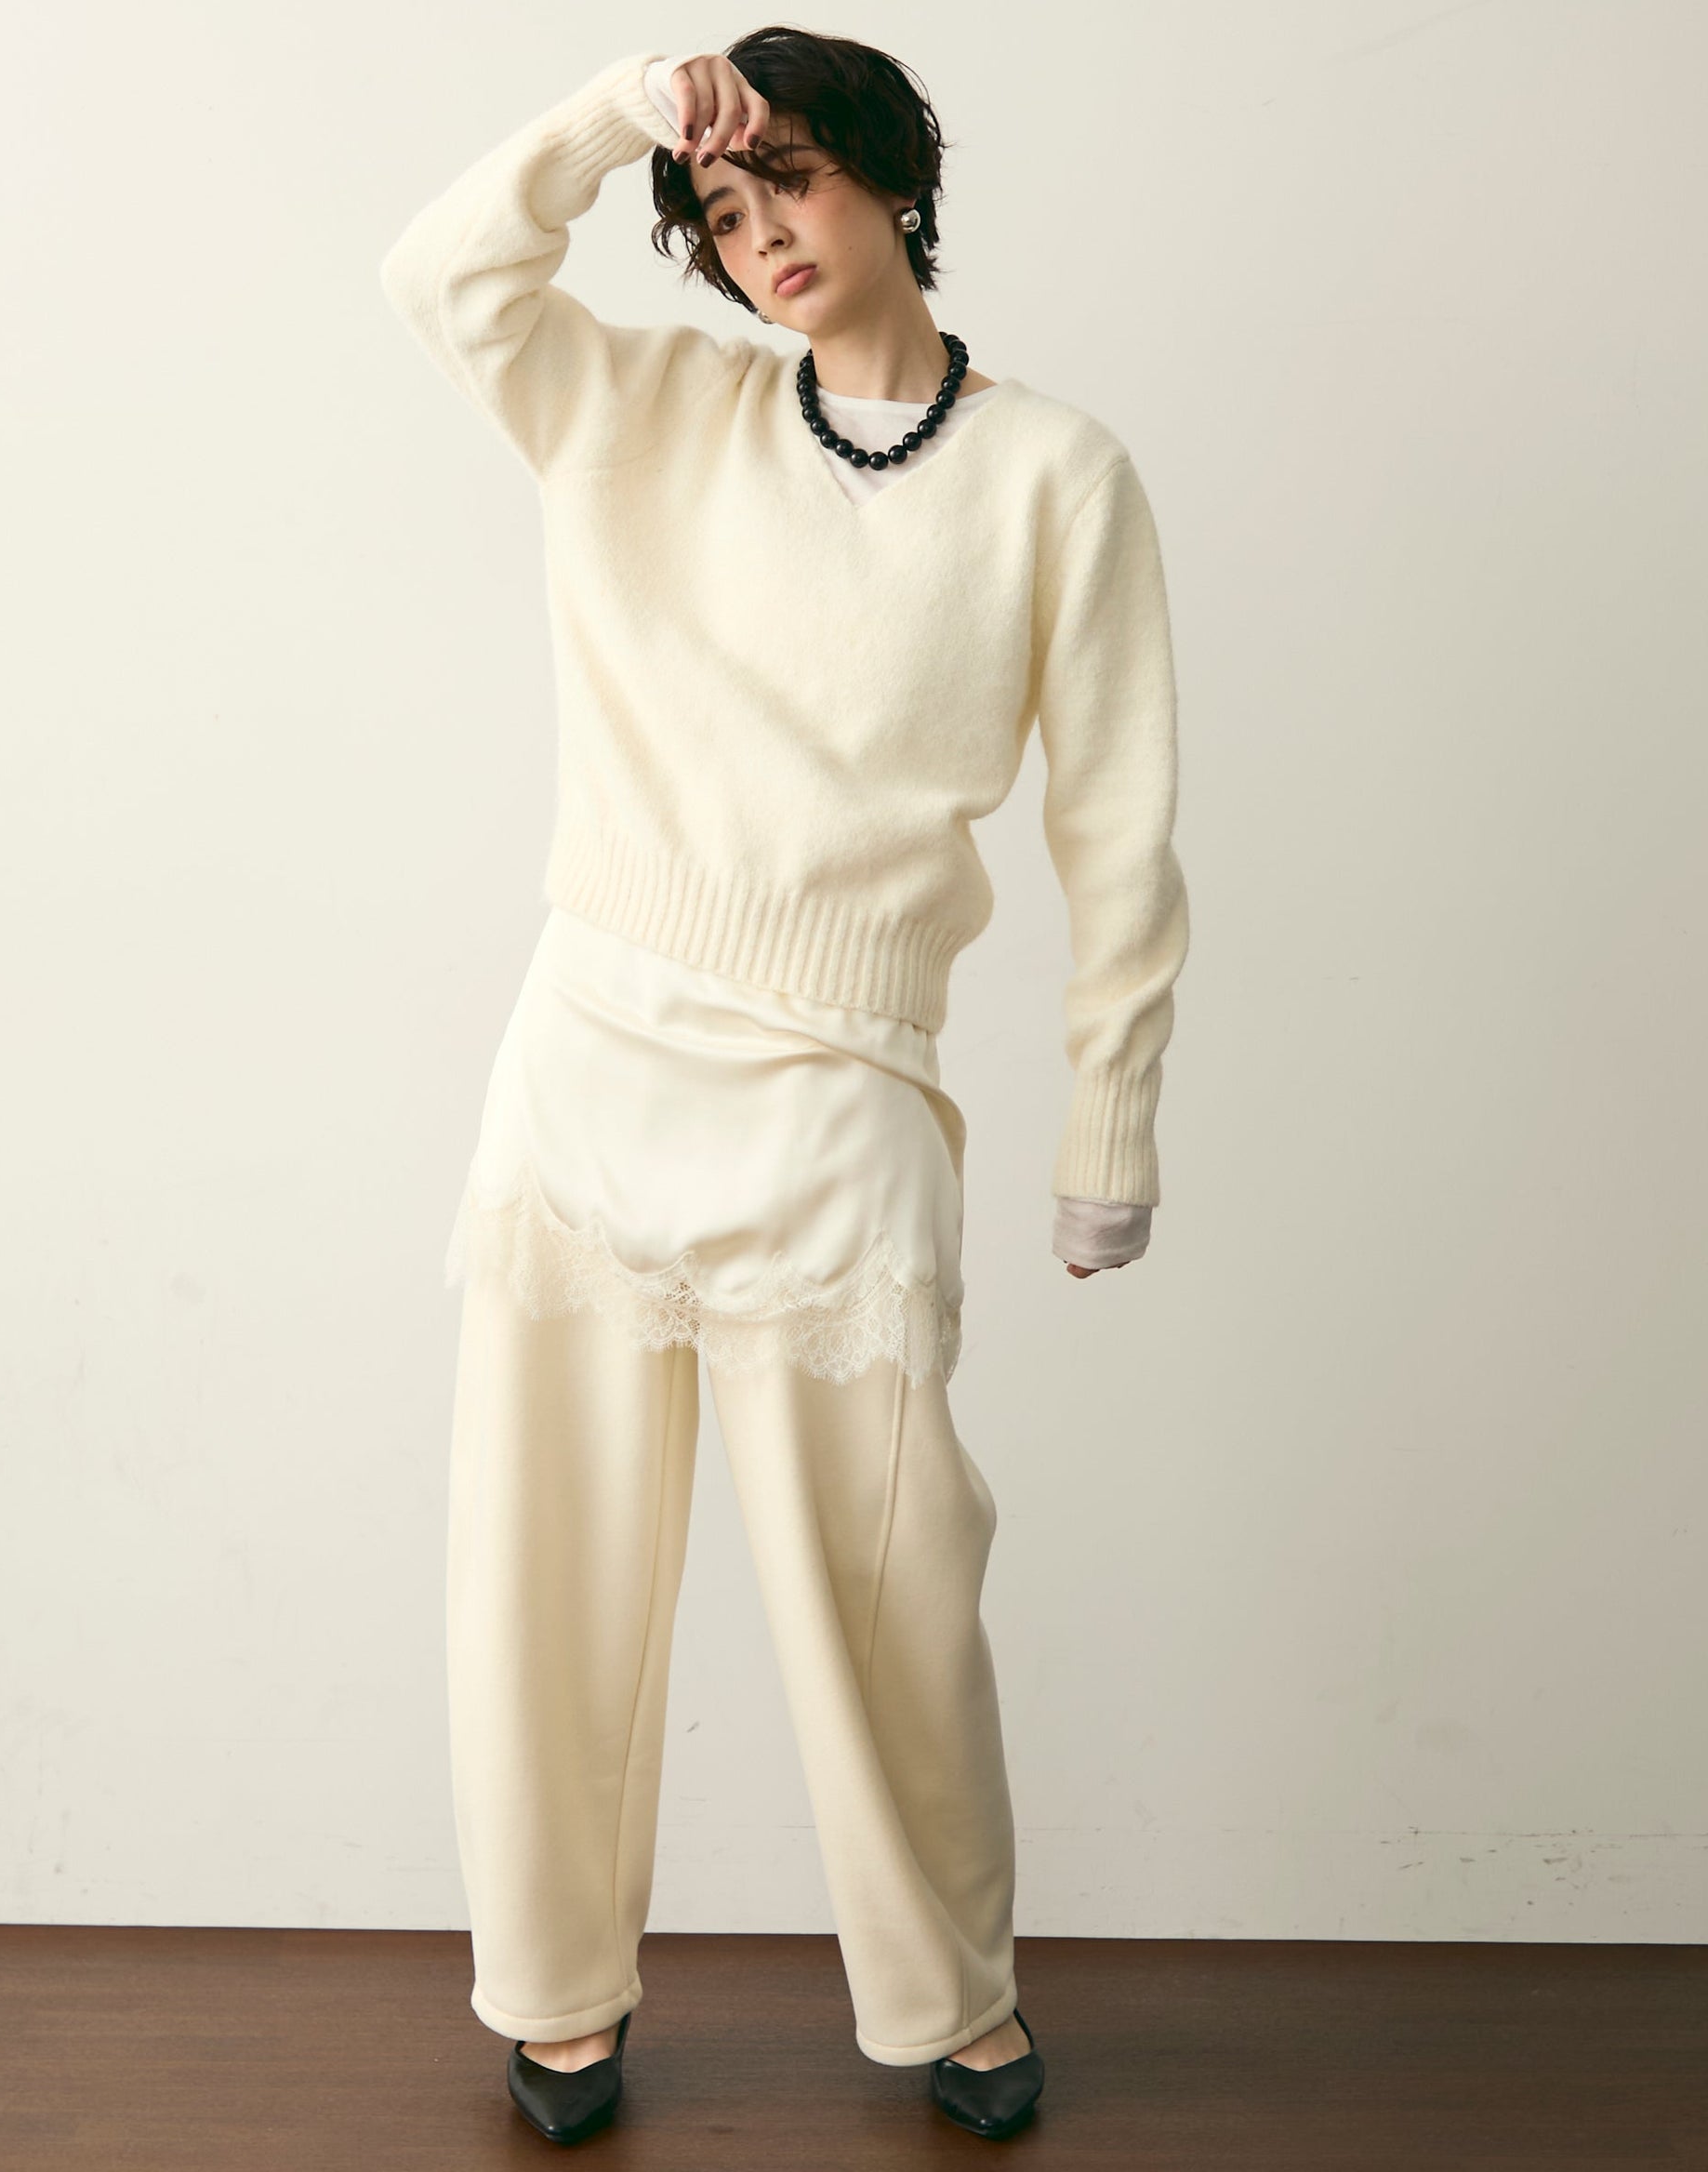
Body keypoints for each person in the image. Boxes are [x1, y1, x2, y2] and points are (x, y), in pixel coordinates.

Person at [378, 29, 1189, 2145]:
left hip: (842, 1089)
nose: (765, 241)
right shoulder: (641, 409)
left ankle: (954, 1996)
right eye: (726, 219)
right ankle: (557, 1997)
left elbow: (1117, 829)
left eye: (796, 183)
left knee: (889, 1597)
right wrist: (613, 121)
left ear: (895, 176)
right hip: (591, 1058)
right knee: (544, 1577)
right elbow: (438, 277)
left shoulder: (1056, 476)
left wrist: (1105, 1125)